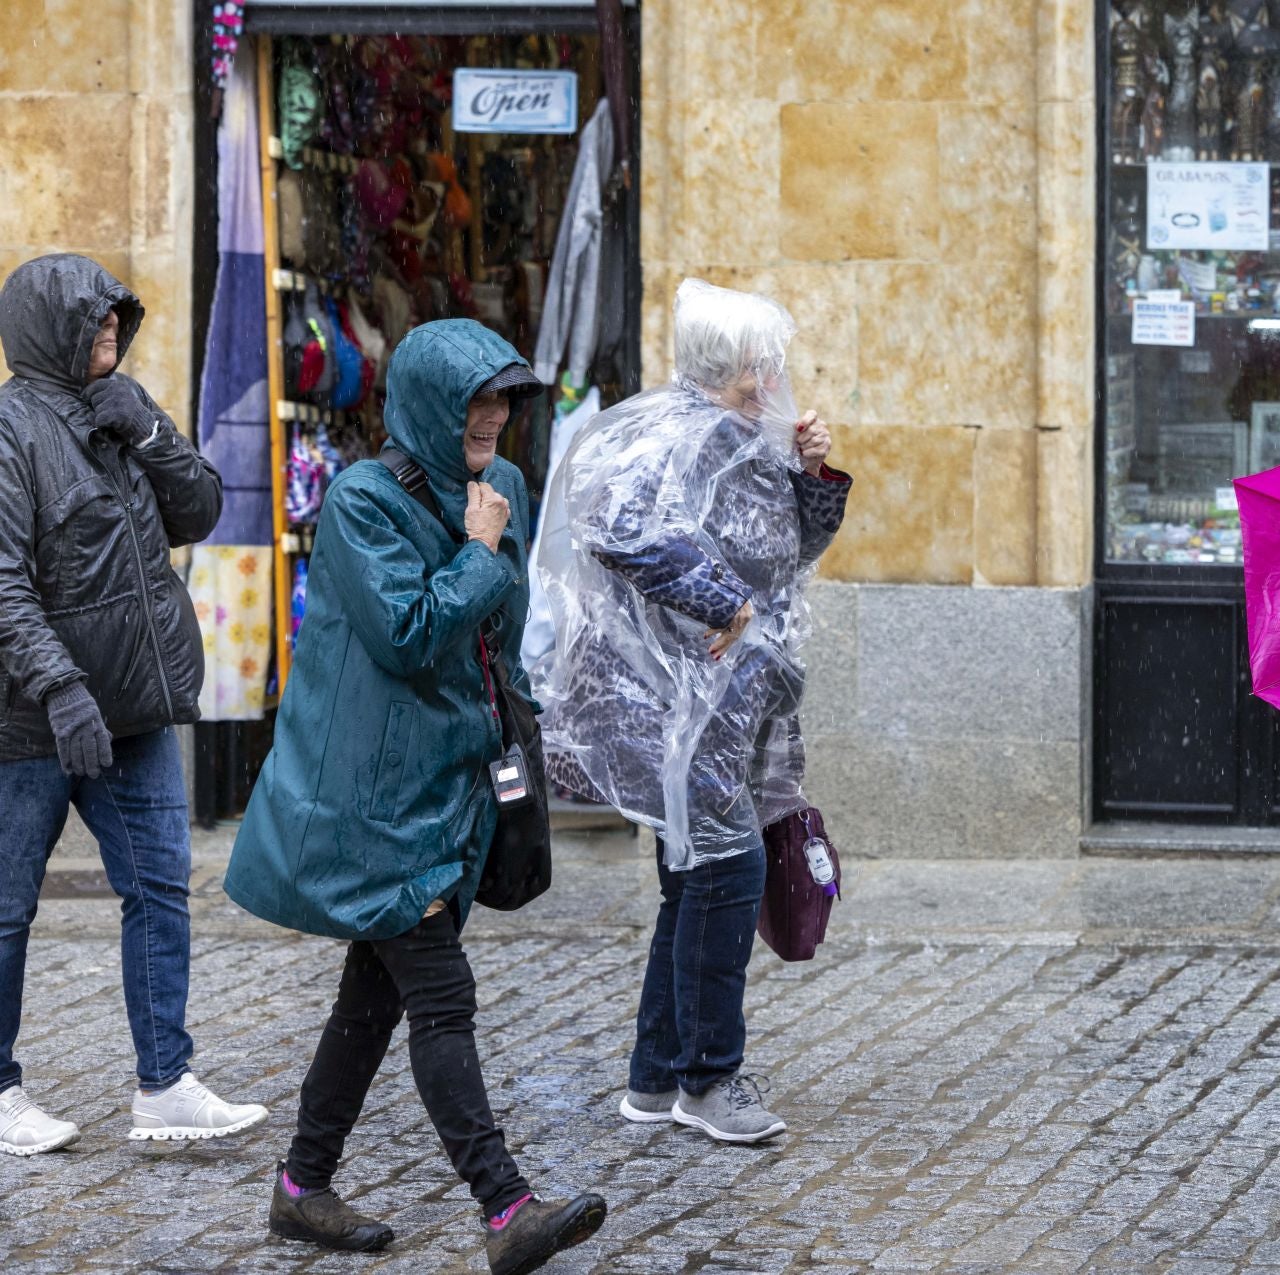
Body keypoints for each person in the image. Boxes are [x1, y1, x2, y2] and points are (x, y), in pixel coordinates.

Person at [223, 320, 605, 1272]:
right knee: (441, 991)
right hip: (370, 793)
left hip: (449, 780)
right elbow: (405, 631)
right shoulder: (361, 501)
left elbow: (500, 633)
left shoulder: (503, 487)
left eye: (502, 400)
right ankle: (506, 1206)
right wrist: (479, 551)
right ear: (432, 403)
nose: (491, 418)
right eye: (475, 400)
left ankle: (301, 1188)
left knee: (372, 997)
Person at [533, 280, 851, 1145]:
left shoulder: (747, 437)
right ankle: (709, 1081)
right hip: (679, 704)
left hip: (727, 704)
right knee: (729, 870)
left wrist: (812, 472)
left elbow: (789, 549)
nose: (777, 372)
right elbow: (614, 523)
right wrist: (720, 599)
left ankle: (655, 1077)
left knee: (693, 878)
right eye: (766, 360)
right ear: (737, 364)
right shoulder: (677, 436)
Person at [0, 254, 268, 1155]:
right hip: (32, 718)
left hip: (135, 710)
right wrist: (60, 686)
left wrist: (151, 432)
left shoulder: (124, 408)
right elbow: (2, 583)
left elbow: (198, 512)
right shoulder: (9, 429)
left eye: (119, 314)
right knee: (6, 907)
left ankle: (165, 1085)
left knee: (158, 888)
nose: (113, 327)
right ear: (52, 328)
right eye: (96, 317)